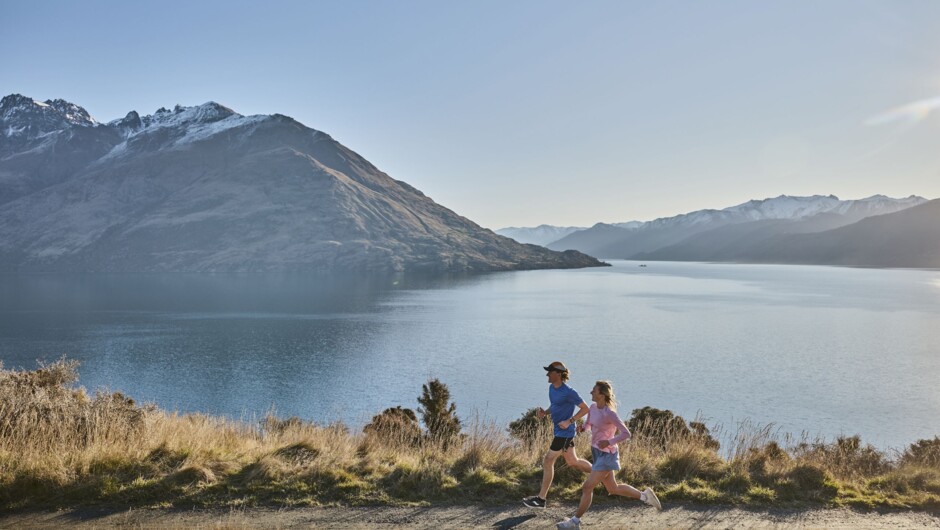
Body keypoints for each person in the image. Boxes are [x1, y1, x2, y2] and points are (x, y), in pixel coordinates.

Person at [556, 380, 661, 530]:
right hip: (596, 452)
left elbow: (626, 433)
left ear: (602, 394)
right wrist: (583, 428)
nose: (591, 392)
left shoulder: (609, 413)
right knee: (613, 488)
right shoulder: (593, 407)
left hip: (607, 455)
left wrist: (609, 442)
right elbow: (589, 424)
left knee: (587, 487)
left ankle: (575, 522)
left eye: (594, 390)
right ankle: (645, 496)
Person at [522, 361, 592, 509]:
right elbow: (555, 406)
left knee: (548, 460)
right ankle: (600, 473)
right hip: (559, 432)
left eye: (550, 372)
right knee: (573, 461)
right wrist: (545, 413)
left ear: (559, 374)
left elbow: (585, 409)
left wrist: (569, 421)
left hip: (565, 433)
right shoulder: (552, 388)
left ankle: (541, 499)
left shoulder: (569, 392)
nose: (547, 374)